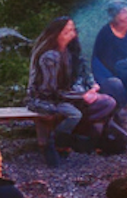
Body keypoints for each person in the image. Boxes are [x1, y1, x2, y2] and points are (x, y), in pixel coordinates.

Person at [27, 16, 118, 164]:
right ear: (57, 34)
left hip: (69, 96)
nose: (72, 34)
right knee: (74, 114)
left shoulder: (71, 51)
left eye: (73, 30)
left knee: (108, 103)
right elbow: (50, 91)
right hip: (46, 99)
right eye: (67, 31)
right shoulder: (50, 57)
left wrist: (93, 87)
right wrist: (82, 96)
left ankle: (83, 136)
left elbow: (85, 72)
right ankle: (58, 141)